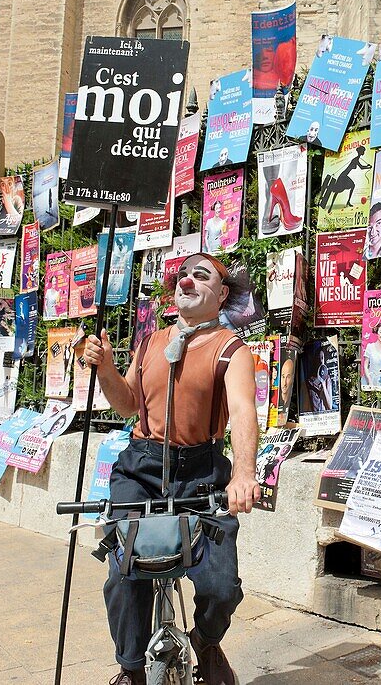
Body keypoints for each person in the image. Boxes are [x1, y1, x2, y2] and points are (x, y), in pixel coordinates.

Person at [84, 252, 260, 685]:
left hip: (202, 473)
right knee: (124, 575)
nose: (187, 280)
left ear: (222, 295)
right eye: (182, 274)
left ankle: (205, 642)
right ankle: (130, 668)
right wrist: (105, 368)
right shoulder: (149, 343)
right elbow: (127, 403)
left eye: (201, 276)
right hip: (140, 470)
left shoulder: (231, 350)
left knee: (220, 586)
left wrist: (243, 474)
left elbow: (242, 411)